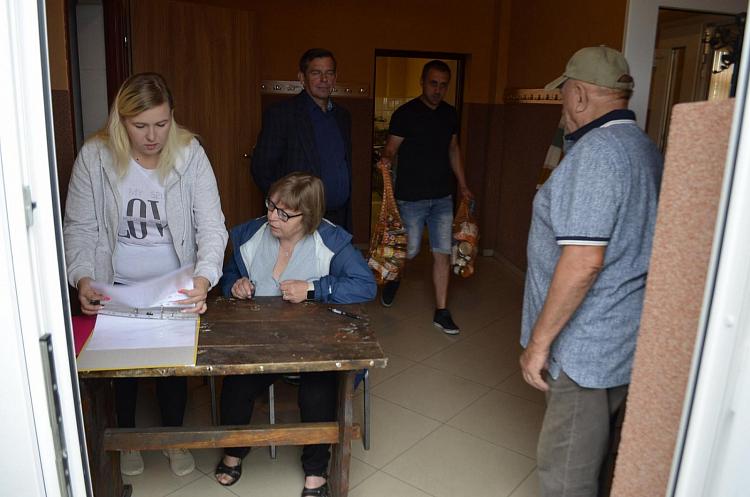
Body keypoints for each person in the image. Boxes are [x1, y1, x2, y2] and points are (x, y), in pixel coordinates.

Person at [63, 72, 229, 477]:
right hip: (115, 283)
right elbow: (79, 227)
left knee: (172, 368)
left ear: (172, 117)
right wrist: (82, 277)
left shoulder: (190, 154)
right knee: (122, 369)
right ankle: (128, 438)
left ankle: (172, 439)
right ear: (121, 121)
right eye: (140, 126)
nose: (152, 136)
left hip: (175, 282)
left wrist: (204, 278)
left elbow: (212, 226)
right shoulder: (95, 156)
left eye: (161, 123)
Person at [519, 46, 663, 497]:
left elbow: (583, 263)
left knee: (565, 474)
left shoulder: (597, 154)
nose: (562, 105)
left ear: (579, 95)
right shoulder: (643, 147)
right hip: (621, 338)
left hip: (586, 350)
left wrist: (538, 345)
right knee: (597, 460)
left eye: (564, 94)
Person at [214, 172, 375, 494]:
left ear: (308, 216)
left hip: (315, 344)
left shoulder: (330, 240)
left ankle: (315, 471)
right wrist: (235, 284)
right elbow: (228, 272)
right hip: (261, 342)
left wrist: (314, 289)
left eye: (284, 214)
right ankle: (234, 450)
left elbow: (365, 285)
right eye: (271, 206)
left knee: (318, 392)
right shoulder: (252, 235)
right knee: (235, 384)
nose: (272, 217)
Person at [378, 59, 472, 334]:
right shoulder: (405, 114)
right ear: (422, 82)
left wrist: (463, 185)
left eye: (443, 85)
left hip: (442, 197)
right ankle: (395, 279)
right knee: (410, 250)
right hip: (411, 198)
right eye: (433, 83)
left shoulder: (450, 114)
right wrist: (385, 159)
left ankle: (441, 311)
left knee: (443, 252)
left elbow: (453, 149)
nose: (438, 90)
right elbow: (391, 148)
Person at [251, 48, 353, 232]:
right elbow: (262, 169)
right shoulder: (282, 114)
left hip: (338, 218)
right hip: (298, 220)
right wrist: (285, 210)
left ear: (335, 78)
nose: (324, 79)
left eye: (329, 73)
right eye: (316, 73)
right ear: (302, 78)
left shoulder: (342, 116)